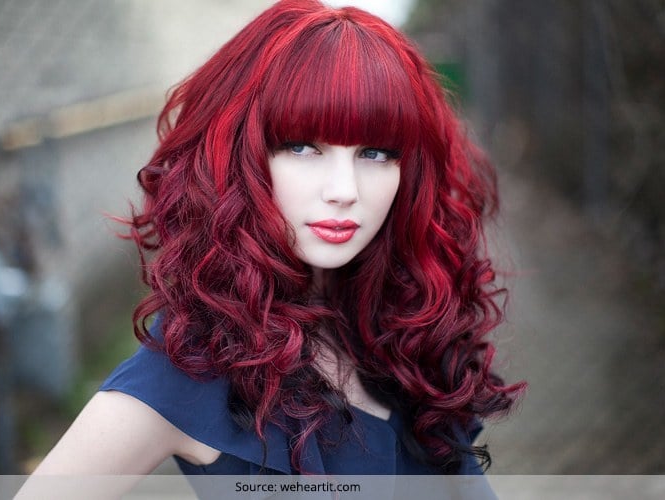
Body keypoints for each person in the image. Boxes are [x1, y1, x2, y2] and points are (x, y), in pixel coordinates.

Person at [26, 0, 524, 486]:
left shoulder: (405, 327)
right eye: (303, 147)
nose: (344, 191)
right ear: (240, 154)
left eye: (375, 152)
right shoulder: (191, 366)